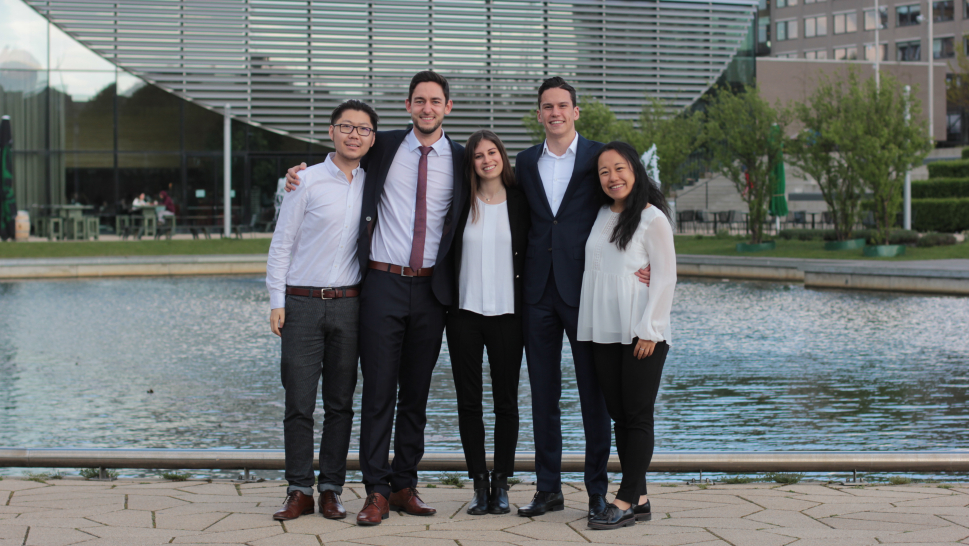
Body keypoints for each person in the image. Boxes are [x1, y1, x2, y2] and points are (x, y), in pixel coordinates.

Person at [285, 71, 466, 526]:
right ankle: (377, 490)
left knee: (417, 395)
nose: (427, 108)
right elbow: (337, 161)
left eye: (435, 101)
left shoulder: (462, 158)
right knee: (379, 391)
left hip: (431, 289)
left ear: (448, 107)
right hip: (382, 284)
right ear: (408, 106)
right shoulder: (381, 145)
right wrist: (294, 176)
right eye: (419, 100)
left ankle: (405, 483)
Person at [514, 77, 650, 520]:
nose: (555, 112)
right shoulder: (525, 161)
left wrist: (646, 255)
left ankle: (596, 491)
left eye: (562, 105)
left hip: (585, 291)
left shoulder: (597, 158)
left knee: (594, 395)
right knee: (543, 394)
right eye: (547, 106)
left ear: (575, 112)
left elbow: (634, 196)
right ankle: (548, 489)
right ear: (539, 114)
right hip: (537, 293)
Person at [266, 100, 378, 522]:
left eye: (363, 129)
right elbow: (282, 244)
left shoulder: (374, 182)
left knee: (340, 403)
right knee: (298, 401)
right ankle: (298, 488)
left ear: (371, 138)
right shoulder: (306, 181)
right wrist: (277, 301)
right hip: (301, 304)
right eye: (346, 127)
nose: (354, 135)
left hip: (350, 306)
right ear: (331, 132)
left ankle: (331, 488)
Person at [578, 141, 676, 530]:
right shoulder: (601, 214)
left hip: (640, 331)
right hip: (603, 328)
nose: (612, 177)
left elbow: (665, 277)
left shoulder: (653, 219)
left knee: (636, 416)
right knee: (619, 415)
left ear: (635, 170)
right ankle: (643, 496)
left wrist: (650, 328)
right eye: (604, 171)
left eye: (619, 168)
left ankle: (625, 501)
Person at [445, 130, 529, 515]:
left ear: (502, 156)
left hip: (509, 315)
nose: (486, 160)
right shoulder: (461, 201)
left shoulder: (521, 201)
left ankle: (502, 482)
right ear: (471, 163)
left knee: (506, 403)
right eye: (478, 155)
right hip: (464, 314)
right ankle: (479, 482)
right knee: (469, 402)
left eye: (492, 152)